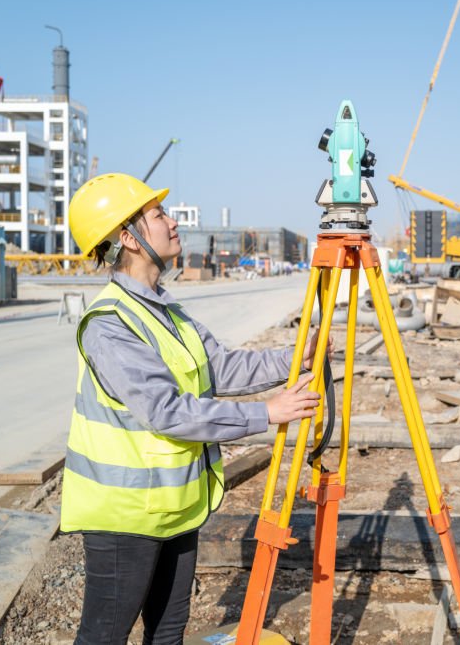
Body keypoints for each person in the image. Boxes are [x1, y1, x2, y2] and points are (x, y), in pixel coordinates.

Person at [61, 173, 324, 644]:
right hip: (124, 516)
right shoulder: (110, 325)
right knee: (104, 635)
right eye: (158, 215)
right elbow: (168, 411)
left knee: (168, 632)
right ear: (128, 237)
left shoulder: (166, 312)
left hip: (176, 505)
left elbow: (219, 367)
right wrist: (266, 413)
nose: (173, 222)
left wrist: (293, 357)